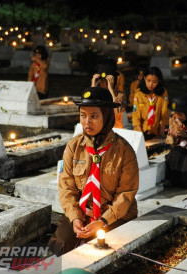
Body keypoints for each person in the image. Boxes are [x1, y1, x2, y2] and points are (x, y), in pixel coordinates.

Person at [48, 87, 139, 256]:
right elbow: (66, 187)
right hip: (82, 211)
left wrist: (103, 221)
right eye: (83, 115)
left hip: (113, 215)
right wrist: (75, 217)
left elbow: (126, 193)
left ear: (107, 116)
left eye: (94, 116)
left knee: (102, 252)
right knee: (59, 246)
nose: (87, 121)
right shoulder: (74, 147)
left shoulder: (124, 150)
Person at [132, 66, 169, 140]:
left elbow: (165, 113)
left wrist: (160, 134)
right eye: (148, 81)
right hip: (140, 132)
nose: (150, 84)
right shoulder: (138, 94)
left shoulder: (163, 93)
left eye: (154, 82)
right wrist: (141, 136)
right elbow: (135, 116)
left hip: (156, 133)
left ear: (159, 81)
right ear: (144, 79)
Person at [91, 62, 127, 129]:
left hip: (115, 127)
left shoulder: (120, 95)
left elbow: (117, 112)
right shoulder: (99, 93)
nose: (103, 84)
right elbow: (90, 106)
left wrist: (110, 89)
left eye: (106, 82)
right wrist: (93, 86)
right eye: (101, 81)